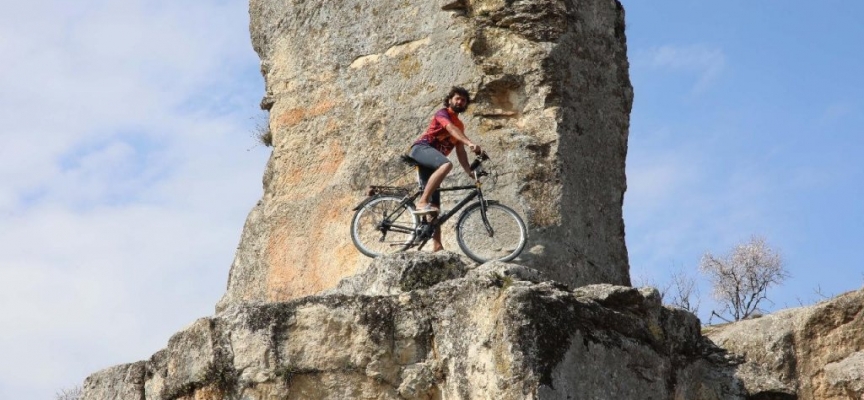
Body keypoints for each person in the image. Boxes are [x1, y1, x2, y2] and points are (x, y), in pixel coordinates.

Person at [408, 86, 482, 251]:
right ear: (450, 100)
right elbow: (450, 129)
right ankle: (421, 202)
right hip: (421, 149)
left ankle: (437, 245)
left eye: (463, 100)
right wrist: (469, 142)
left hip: (432, 162)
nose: (460, 102)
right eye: (457, 98)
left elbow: (460, 152)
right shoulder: (443, 113)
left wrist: (469, 171)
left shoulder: (460, 126)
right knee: (446, 164)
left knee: (434, 208)